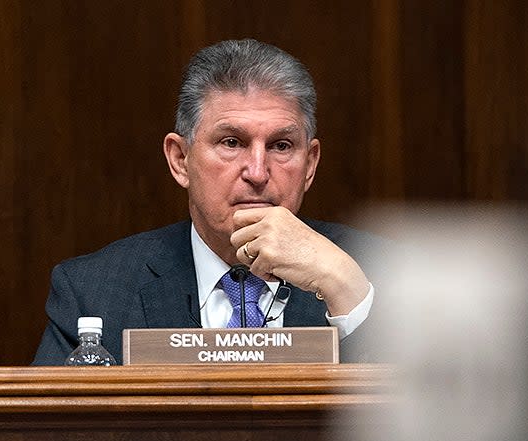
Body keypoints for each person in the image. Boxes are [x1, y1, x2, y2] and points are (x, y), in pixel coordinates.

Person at [32, 38, 391, 365]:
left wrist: (344, 288)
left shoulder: (387, 273)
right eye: (231, 142)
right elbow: (51, 434)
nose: (257, 171)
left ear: (310, 164)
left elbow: (428, 424)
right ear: (180, 159)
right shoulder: (93, 291)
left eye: (281, 146)